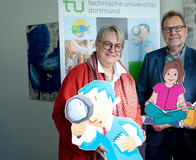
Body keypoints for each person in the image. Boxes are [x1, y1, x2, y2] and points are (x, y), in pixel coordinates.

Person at [52, 25, 143, 160]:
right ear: (97, 44)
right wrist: (89, 142)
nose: (113, 50)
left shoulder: (127, 78)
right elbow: (60, 113)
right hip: (86, 154)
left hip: (119, 151)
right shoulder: (78, 74)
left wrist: (135, 133)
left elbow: (136, 111)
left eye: (118, 46)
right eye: (108, 44)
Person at [136, 10, 196, 160]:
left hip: (188, 136)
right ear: (163, 33)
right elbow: (140, 93)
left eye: (177, 28)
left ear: (185, 31)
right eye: (168, 29)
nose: (173, 32)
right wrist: (151, 119)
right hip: (158, 135)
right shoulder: (151, 59)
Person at [143, 58, 188, 127]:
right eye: (168, 73)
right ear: (164, 74)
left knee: (183, 114)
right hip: (158, 110)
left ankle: (152, 120)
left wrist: (184, 107)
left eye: (175, 74)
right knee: (148, 108)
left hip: (171, 111)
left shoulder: (179, 88)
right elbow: (152, 99)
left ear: (178, 76)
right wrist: (149, 102)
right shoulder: (158, 86)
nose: (171, 76)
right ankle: (172, 122)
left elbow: (182, 102)